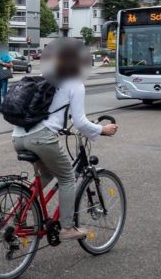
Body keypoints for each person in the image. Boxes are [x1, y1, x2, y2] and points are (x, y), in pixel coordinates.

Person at [11, 39, 118, 241]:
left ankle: (21, 209)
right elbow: (80, 122)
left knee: (48, 173)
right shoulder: (75, 84)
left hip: (18, 136)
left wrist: (61, 125)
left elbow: (51, 110)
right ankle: (67, 228)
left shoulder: (44, 78)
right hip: (41, 138)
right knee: (67, 177)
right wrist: (102, 129)